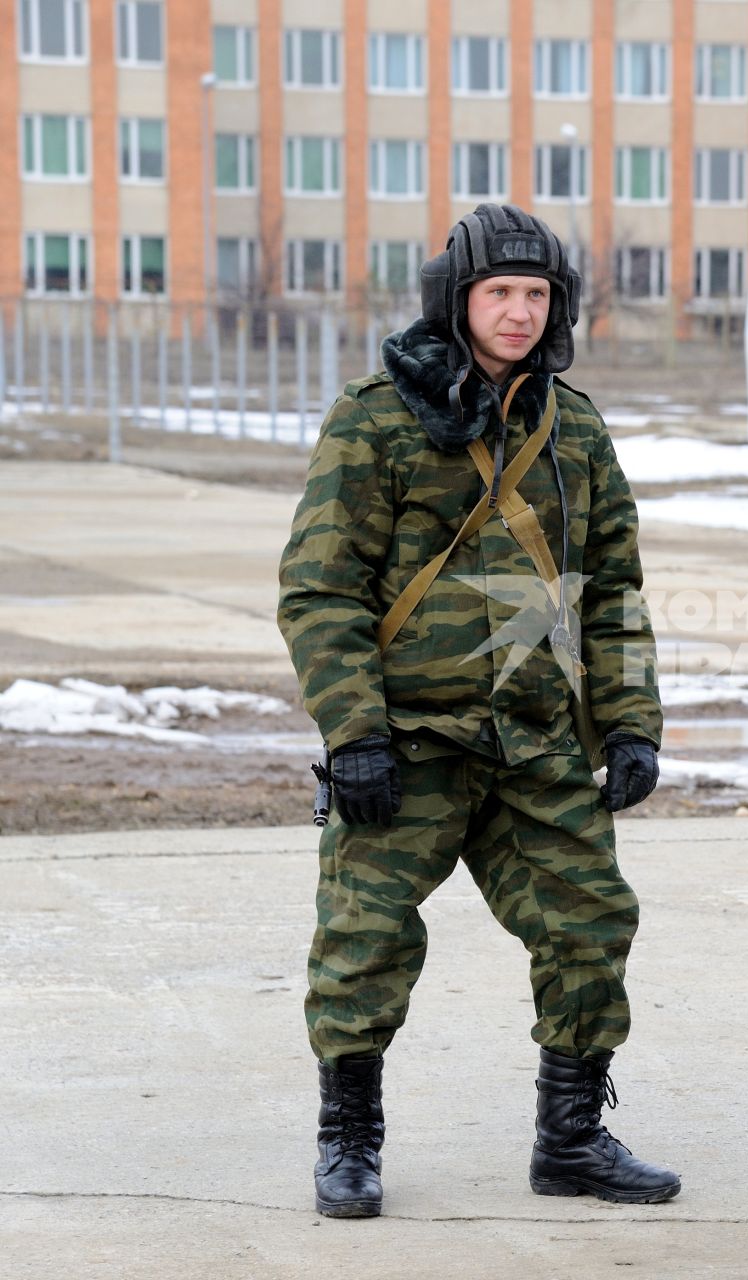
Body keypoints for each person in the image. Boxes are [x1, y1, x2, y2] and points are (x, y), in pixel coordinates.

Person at [277, 203, 677, 1219]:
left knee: (592, 922)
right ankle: (348, 1142)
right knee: (361, 940)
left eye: (535, 293)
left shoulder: (571, 428)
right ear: (455, 300)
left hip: (534, 740)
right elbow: (321, 589)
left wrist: (631, 719)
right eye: (498, 292)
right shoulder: (377, 418)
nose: (518, 311)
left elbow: (612, 589)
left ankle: (571, 1139)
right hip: (406, 743)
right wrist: (354, 732)